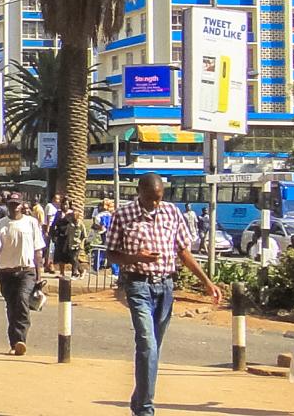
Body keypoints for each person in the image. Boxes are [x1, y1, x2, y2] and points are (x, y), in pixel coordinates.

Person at [108, 174, 220, 416]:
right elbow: (112, 254)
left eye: (158, 199)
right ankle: (146, 410)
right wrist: (137, 257)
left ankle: (139, 401)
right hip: (137, 285)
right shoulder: (123, 215)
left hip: (165, 287)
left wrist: (207, 283)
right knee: (147, 343)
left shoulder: (172, 213)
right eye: (150, 199)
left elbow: (183, 251)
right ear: (139, 193)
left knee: (154, 348)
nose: (154, 205)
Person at [0, 198, 46, 355]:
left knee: (22, 299)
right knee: (11, 307)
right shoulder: (0, 224)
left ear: (23, 206)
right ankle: (14, 343)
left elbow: (38, 250)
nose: (14, 207)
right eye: (11, 204)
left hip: (27, 271)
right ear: (7, 206)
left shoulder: (31, 223)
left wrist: (39, 274)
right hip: (6, 272)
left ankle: (21, 340)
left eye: (17, 204)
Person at [50, 203, 87, 277]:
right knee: (63, 257)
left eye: (66, 204)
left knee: (73, 258)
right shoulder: (59, 214)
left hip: (75, 243)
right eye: (63, 204)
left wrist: (81, 244)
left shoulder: (78, 222)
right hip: (65, 240)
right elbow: (55, 225)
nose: (64, 206)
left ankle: (78, 272)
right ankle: (62, 273)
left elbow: (84, 235)